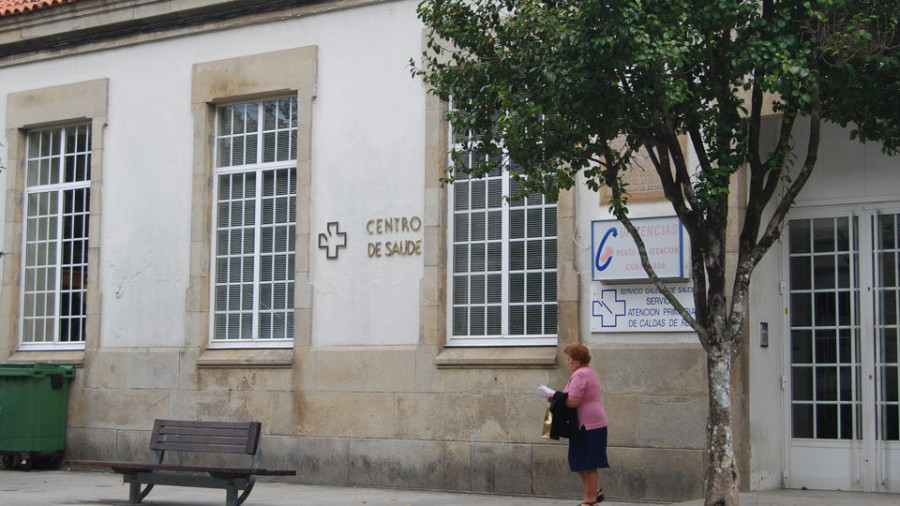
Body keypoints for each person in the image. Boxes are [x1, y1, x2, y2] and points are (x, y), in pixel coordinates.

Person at [547, 343, 609, 506]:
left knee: (586, 462)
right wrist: (556, 396)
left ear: (578, 360)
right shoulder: (588, 372)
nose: (567, 363)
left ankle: (590, 500)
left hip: (587, 424)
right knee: (579, 460)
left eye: (569, 359)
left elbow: (573, 401)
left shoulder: (580, 375)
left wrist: (555, 398)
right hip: (592, 423)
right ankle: (594, 493)